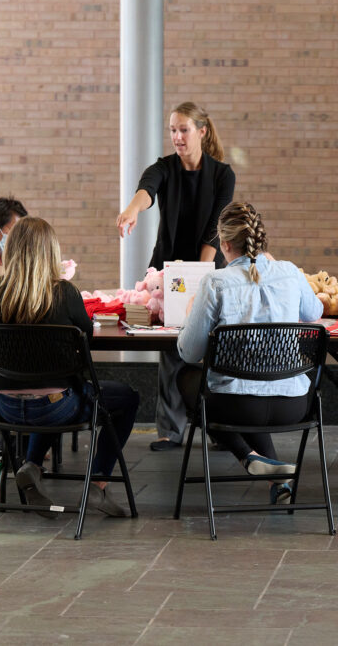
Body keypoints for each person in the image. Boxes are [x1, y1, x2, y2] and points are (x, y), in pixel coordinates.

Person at [0, 217, 138, 518]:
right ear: (50, 253)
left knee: (47, 387)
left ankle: (31, 467)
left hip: (2, 406)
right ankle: (97, 485)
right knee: (126, 397)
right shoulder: (64, 293)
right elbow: (86, 337)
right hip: (56, 407)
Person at [176, 201, 323, 504]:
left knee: (186, 378)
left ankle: (247, 456)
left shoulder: (216, 282)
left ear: (225, 243)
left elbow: (190, 353)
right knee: (254, 384)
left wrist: (191, 314)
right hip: (294, 404)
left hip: (238, 406)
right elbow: (315, 311)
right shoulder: (290, 272)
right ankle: (276, 478)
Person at [116, 102, 236, 452]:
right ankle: (171, 430)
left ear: (201, 131)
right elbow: (147, 190)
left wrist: (199, 274)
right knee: (172, 348)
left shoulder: (222, 174)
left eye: (184, 129)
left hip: (208, 268)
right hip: (168, 271)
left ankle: (221, 427)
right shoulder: (164, 168)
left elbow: (217, 227)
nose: (177, 137)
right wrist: (130, 210)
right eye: (172, 130)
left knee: (214, 347)